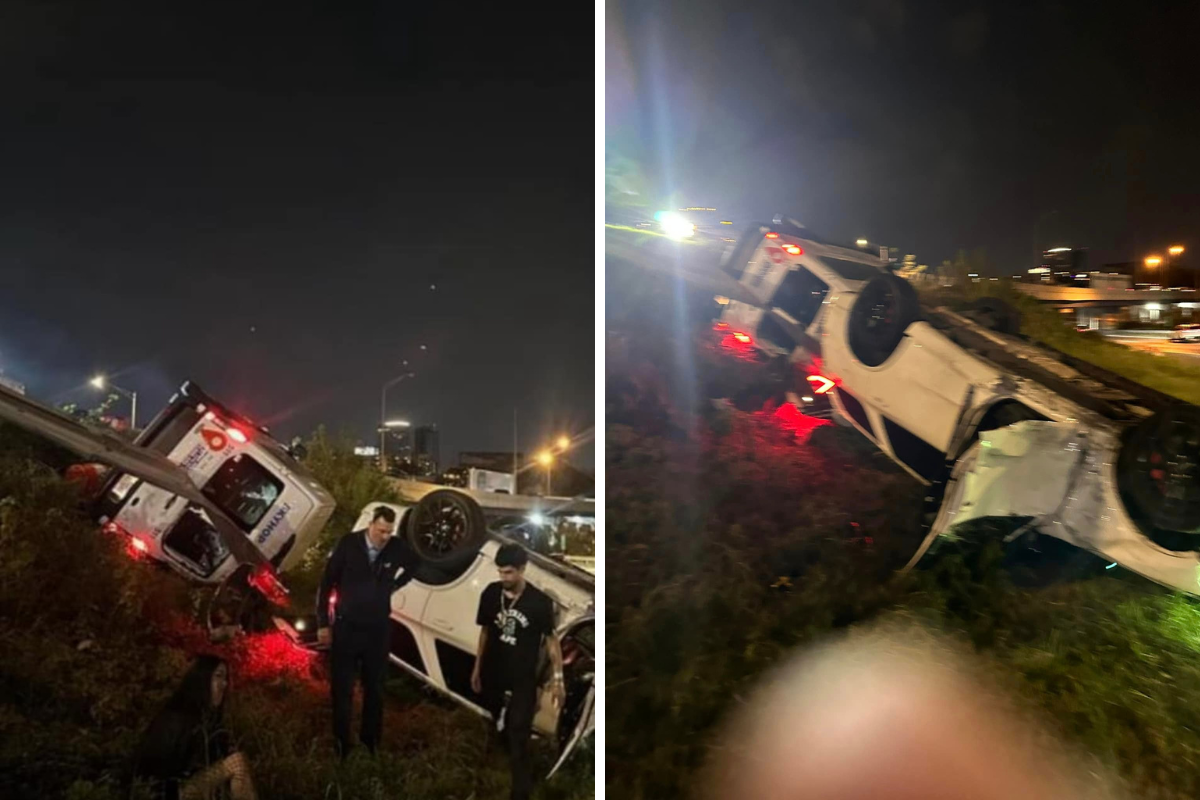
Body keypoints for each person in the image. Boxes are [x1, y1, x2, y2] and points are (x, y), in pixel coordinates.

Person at [316, 504, 419, 758]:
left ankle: (370, 744)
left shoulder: (395, 547)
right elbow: (327, 581)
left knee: (375, 689)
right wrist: (322, 623)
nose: (385, 537)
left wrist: (395, 583)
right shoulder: (349, 544)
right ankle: (342, 746)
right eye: (381, 530)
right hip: (347, 626)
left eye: (389, 532)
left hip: (377, 629)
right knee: (342, 689)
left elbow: (416, 564)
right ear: (371, 524)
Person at [471, 543, 566, 800]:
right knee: (496, 720)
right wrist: (477, 667)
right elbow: (485, 632)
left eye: (509, 572)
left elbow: (551, 640)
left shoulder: (538, 602)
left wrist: (558, 680)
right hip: (494, 672)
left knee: (518, 732)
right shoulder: (491, 594)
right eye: (501, 572)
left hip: (523, 677)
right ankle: (501, 758)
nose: (504, 578)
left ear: (523, 569)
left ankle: (520, 790)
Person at [132, 655, 258, 800]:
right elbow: (155, 768)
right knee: (237, 763)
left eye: (225, 678)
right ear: (203, 679)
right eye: (218, 676)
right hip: (170, 793)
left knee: (236, 764)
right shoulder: (177, 717)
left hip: (194, 787)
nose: (224, 684)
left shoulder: (209, 719)